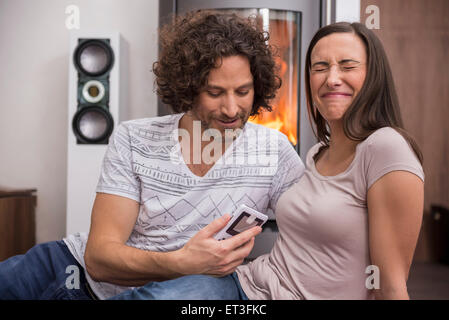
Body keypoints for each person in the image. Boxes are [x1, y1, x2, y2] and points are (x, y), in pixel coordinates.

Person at [0, 11, 305, 300]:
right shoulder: (135, 138)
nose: (230, 108)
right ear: (189, 88)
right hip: (67, 268)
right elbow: (98, 258)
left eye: (242, 92)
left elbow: (320, 223)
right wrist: (183, 262)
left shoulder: (274, 150)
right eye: (214, 93)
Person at [110, 22, 425, 300]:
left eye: (347, 66)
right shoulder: (318, 154)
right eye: (319, 67)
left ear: (373, 76)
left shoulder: (386, 147)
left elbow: (391, 286)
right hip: (243, 285)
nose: (332, 78)